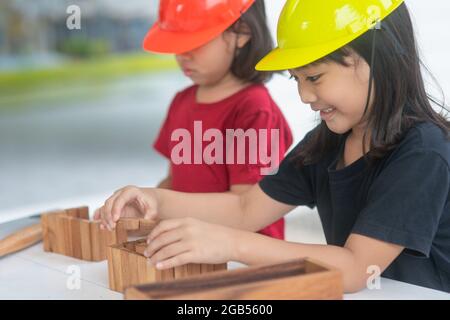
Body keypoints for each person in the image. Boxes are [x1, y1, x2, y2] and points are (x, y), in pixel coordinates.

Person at [97, 0, 450, 293]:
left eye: (314, 77)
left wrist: (230, 244)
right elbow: (246, 207)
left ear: (381, 59)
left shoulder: (423, 153)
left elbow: (358, 268)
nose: (304, 96)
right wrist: (155, 200)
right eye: (296, 79)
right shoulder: (326, 143)